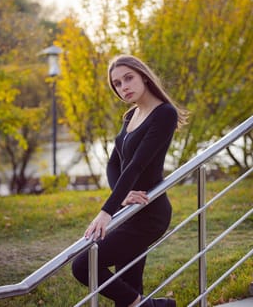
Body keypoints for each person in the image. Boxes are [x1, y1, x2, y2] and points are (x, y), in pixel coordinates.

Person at [72, 54, 188, 307]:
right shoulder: (131, 115)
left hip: (149, 213)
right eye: (117, 83)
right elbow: (114, 164)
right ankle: (155, 305)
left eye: (128, 78)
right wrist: (121, 196)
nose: (123, 86)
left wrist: (106, 212)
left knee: (83, 265)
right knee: (128, 288)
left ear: (144, 75)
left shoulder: (163, 114)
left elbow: (136, 166)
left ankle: (150, 306)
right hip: (129, 208)